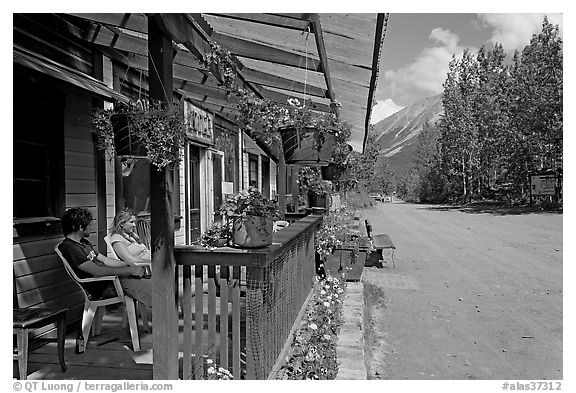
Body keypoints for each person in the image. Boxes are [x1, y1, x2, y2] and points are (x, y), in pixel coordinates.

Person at [58, 207, 152, 307]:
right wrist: (129, 271)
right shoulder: (70, 248)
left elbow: (105, 260)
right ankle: (163, 315)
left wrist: (126, 264)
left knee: (153, 282)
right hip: (105, 286)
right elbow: (97, 271)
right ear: (81, 227)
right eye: (89, 225)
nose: (91, 227)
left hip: (113, 280)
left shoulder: (83, 243)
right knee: (152, 289)